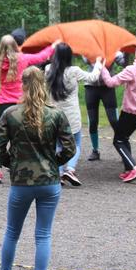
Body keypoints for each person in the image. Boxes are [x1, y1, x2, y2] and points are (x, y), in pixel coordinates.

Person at [0, 67, 75, 270]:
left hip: (21, 183)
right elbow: (70, 149)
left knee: (12, 233)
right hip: (49, 182)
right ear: (44, 85)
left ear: (22, 85)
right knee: (43, 235)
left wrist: (11, 164)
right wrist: (53, 163)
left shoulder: (11, 113)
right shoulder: (56, 114)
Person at [0, 35, 58, 184]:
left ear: (0, 47)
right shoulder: (23, 59)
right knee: (19, 137)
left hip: (4, 105)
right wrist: (53, 46)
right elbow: (41, 56)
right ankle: (15, 165)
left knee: (0, 138)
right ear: (16, 45)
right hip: (19, 104)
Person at [97, 43, 136, 182]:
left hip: (130, 110)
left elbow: (111, 82)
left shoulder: (132, 69)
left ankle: (133, 168)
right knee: (124, 138)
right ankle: (127, 169)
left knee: (118, 140)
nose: (135, 52)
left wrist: (102, 67)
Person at [44, 43, 101, 186]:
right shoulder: (74, 71)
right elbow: (92, 77)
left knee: (57, 144)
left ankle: (57, 173)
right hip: (71, 116)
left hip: (53, 114)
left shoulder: (48, 69)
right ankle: (69, 170)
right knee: (75, 144)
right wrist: (99, 63)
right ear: (69, 56)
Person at [82, 51, 124, 161]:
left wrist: (120, 53)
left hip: (107, 88)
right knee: (92, 121)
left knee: (114, 121)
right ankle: (95, 150)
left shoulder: (113, 49)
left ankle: (124, 150)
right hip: (91, 87)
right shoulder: (89, 48)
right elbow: (85, 59)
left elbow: (123, 62)